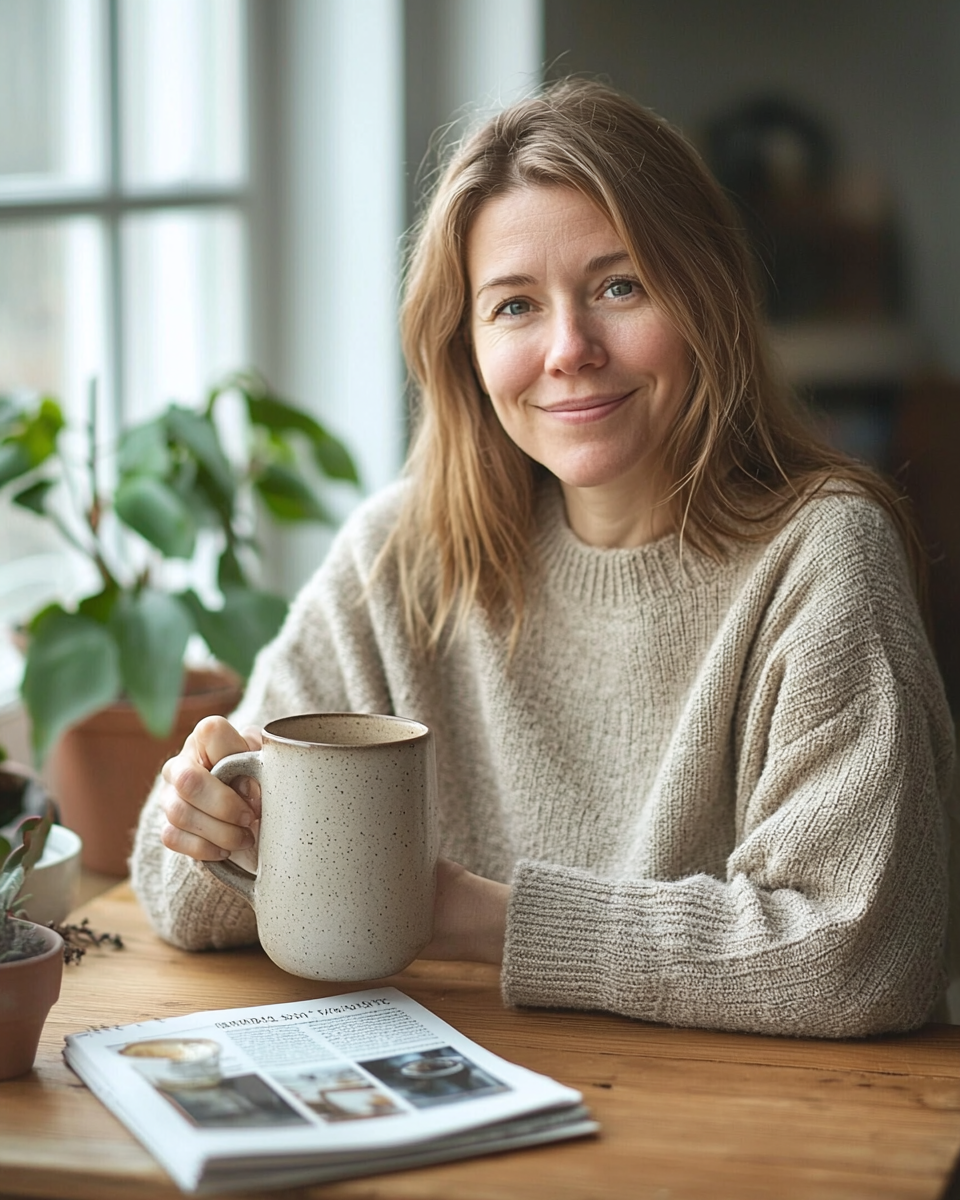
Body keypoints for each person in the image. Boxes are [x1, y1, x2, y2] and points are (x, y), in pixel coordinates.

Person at [131, 79, 956, 1039]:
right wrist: (206, 822)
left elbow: (858, 953)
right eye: (515, 305)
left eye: (619, 286)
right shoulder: (402, 558)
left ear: (707, 297)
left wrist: (470, 915)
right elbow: (179, 895)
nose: (570, 348)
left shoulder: (820, 555)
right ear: (466, 348)